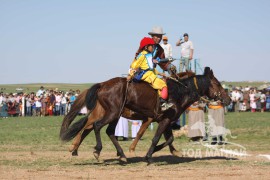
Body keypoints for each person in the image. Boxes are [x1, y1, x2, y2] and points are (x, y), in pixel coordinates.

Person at [127, 37, 173, 111]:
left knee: (159, 85)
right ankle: (163, 104)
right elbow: (134, 66)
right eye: (151, 46)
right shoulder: (142, 55)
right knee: (163, 85)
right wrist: (130, 75)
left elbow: (151, 68)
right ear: (146, 47)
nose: (153, 47)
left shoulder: (149, 55)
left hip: (150, 74)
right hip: (147, 76)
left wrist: (161, 73)